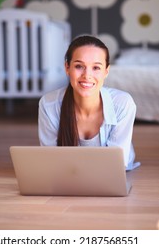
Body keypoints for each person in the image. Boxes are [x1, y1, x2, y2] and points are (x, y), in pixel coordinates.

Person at [38, 35, 140, 171]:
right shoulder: (48, 105)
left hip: (111, 174)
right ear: (67, 68)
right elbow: (50, 159)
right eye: (79, 66)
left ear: (106, 71)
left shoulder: (122, 104)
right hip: (68, 176)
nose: (87, 75)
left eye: (96, 68)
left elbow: (116, 165)